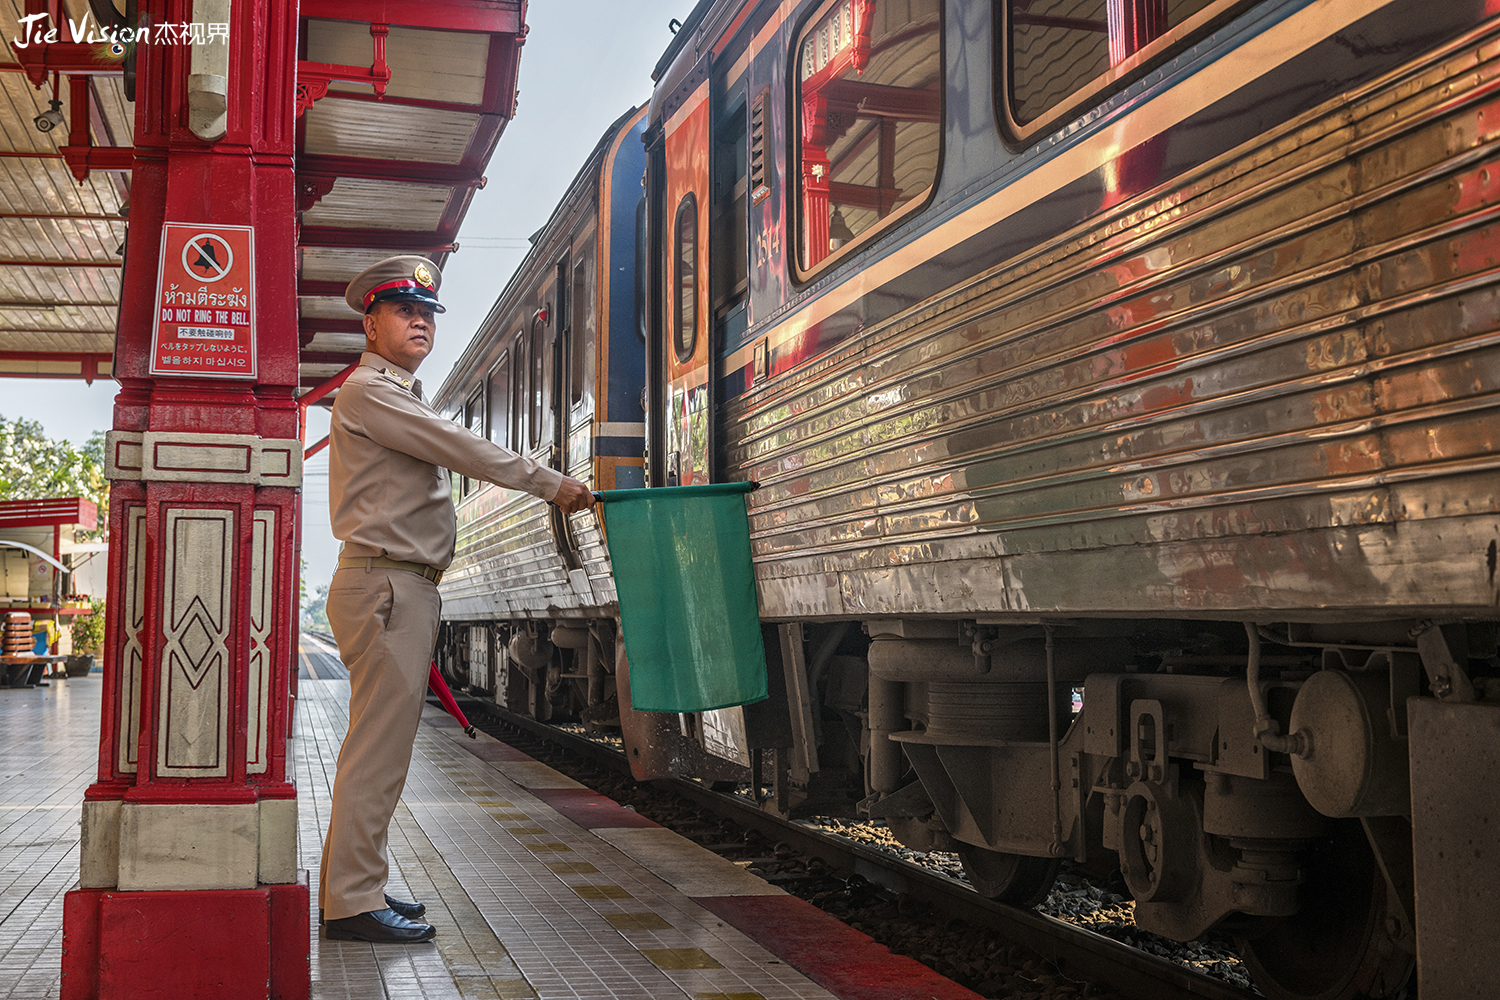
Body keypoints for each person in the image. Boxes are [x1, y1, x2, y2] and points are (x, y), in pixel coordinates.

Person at [319, 255, 594, 943]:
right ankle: (352, 902)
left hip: (399, 585)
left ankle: (362, 886)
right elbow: (457, 444)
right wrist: (551, 483)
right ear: (370, 323)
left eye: (428, 312)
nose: (420, 320)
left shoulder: (396, 393)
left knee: (379, 751)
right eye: (403, 310)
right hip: (387, 585)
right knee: (375, 754)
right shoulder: (369, 392)